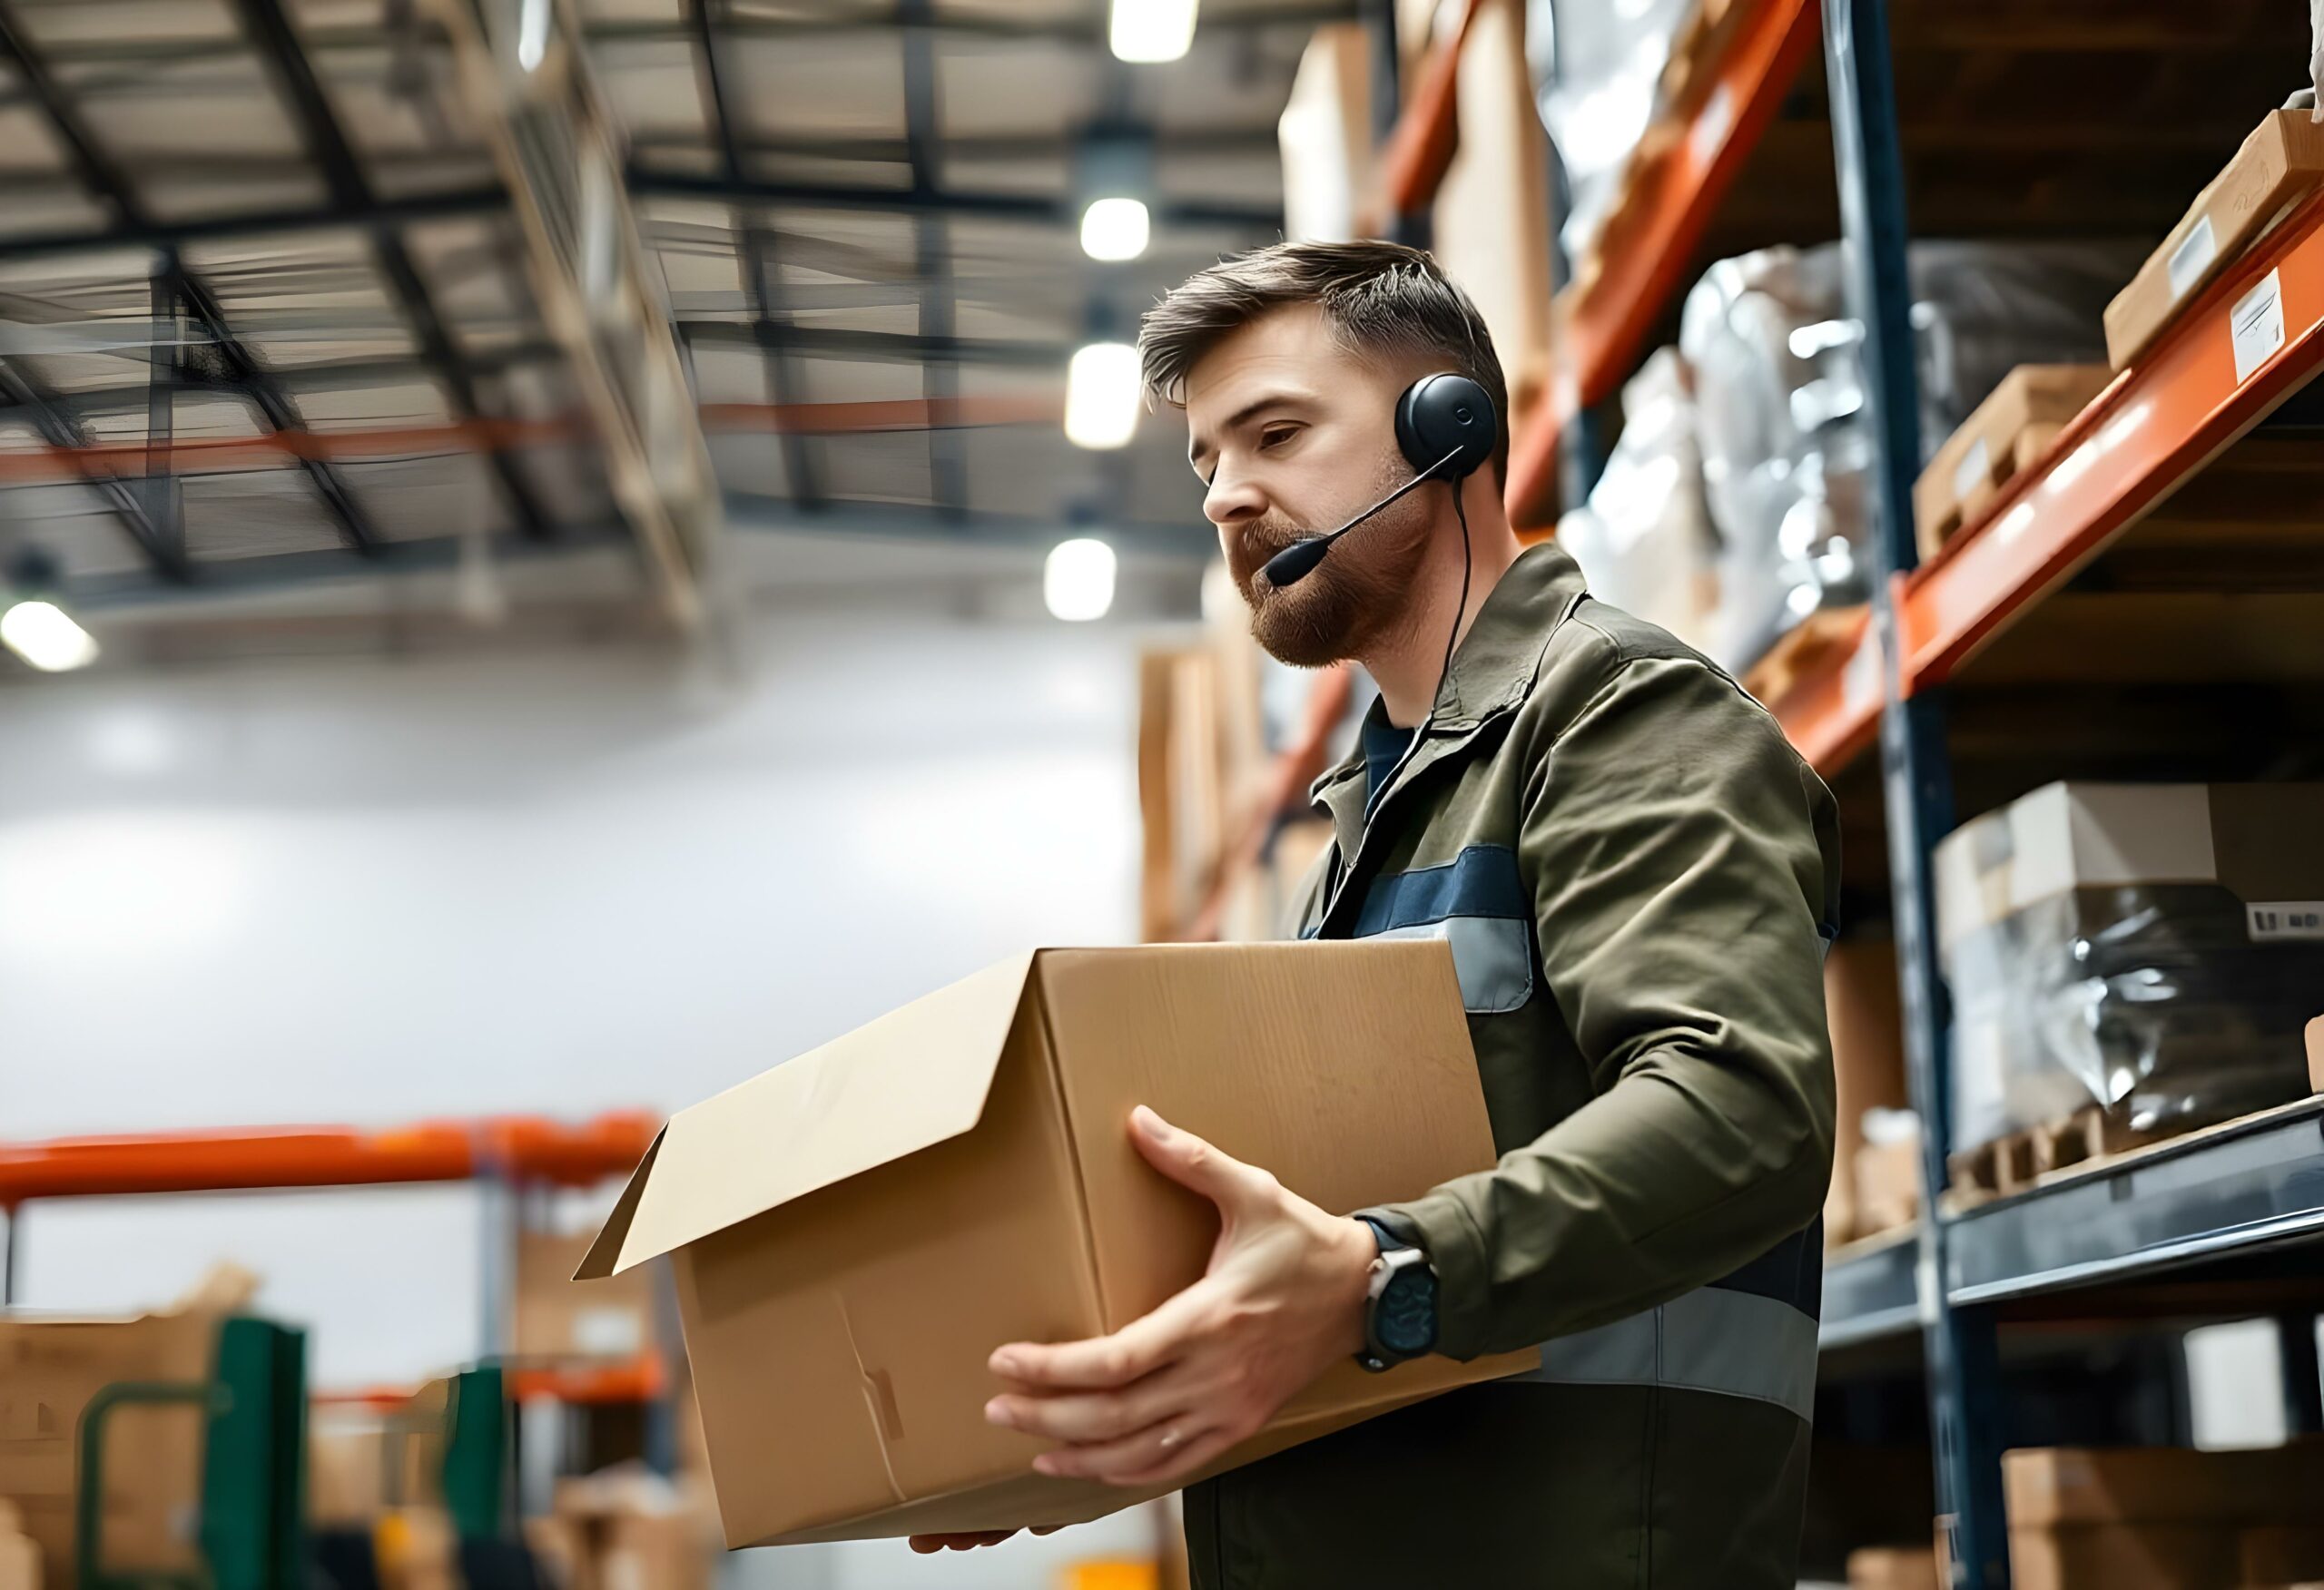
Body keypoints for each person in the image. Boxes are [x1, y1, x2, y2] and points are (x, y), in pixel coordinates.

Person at [911, 240, 1841, 1587]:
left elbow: (1745, 1112)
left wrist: (1379, 1277)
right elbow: (1323, 1272)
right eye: (1207, 467)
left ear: (1448, 431)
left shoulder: (1621, 716)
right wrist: (1121, 1405)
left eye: (1276, 434)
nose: (1231, 496)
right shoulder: (1366, 832)